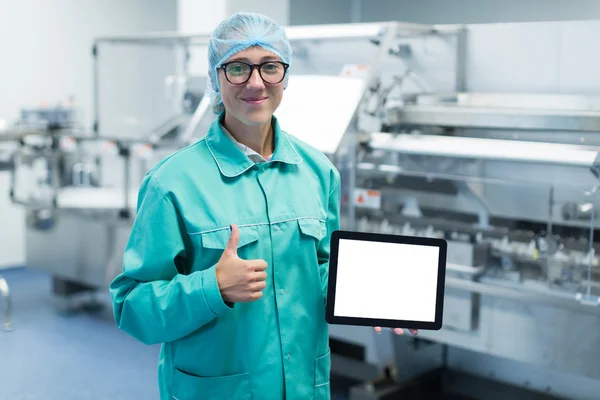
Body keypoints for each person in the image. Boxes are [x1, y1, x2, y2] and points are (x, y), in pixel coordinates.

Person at [110, 12, 416, 400]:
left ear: (285, 76)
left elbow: (320, 271)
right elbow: (131, 307)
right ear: (215, 77)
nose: (255, 83)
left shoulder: (318, 173)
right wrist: (212, 287)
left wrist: (374, 297)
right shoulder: (173, 183)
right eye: (238, 68)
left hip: (303, 388)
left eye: (270, 67)